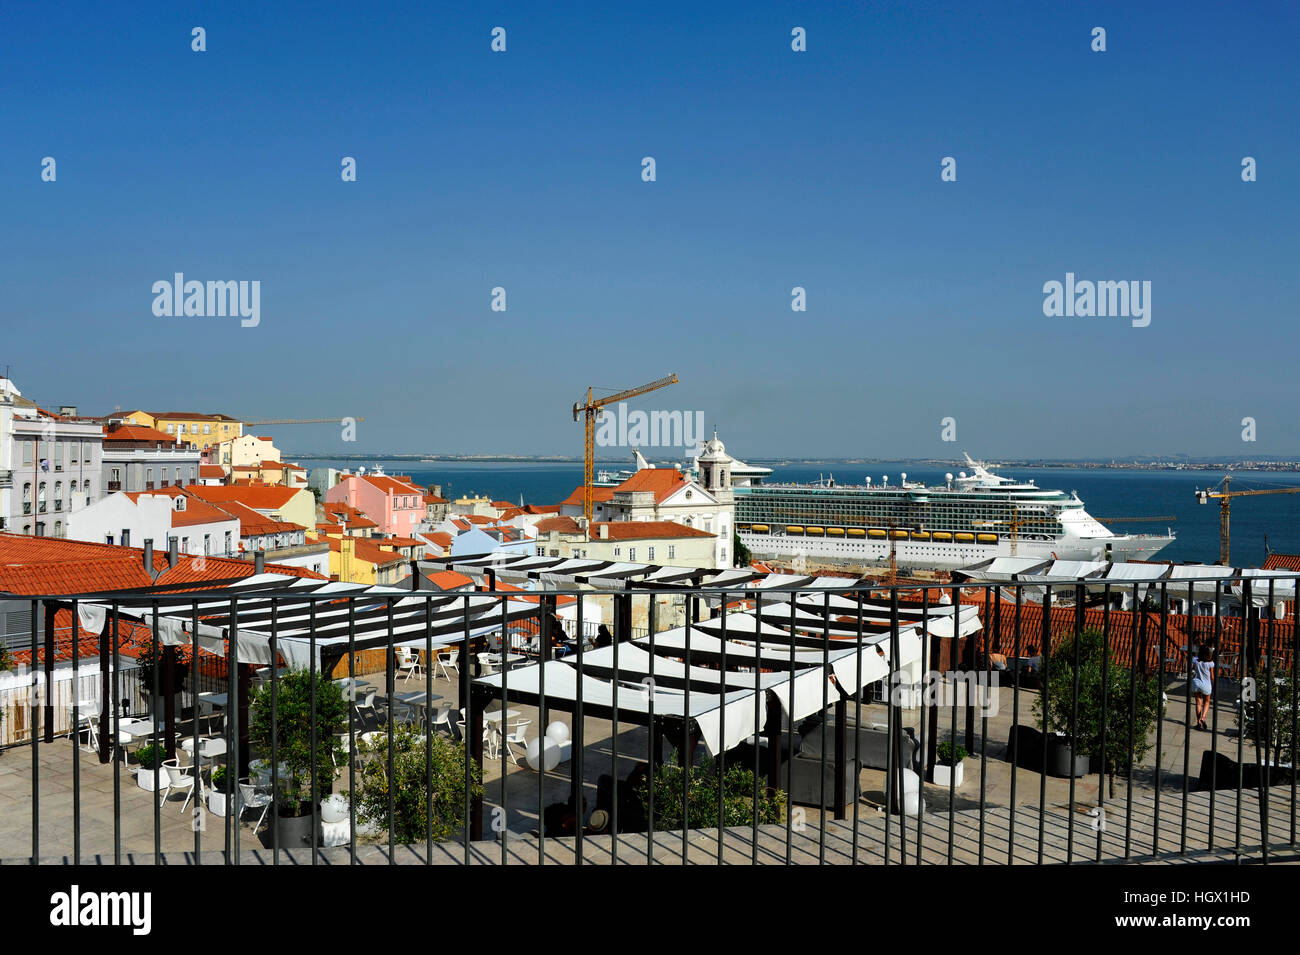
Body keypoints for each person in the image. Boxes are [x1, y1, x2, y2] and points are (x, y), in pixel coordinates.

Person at [1191, 644, 1215, 731]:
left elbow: (1191, 668)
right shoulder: (1210, 663)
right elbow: (1212, 676)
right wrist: (1213, 685)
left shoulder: (1195, 660)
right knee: (1207, 702)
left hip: (1196, 683)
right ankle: (1203, 717)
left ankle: (1198, 722)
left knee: (1198, 703)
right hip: (1206, 684)